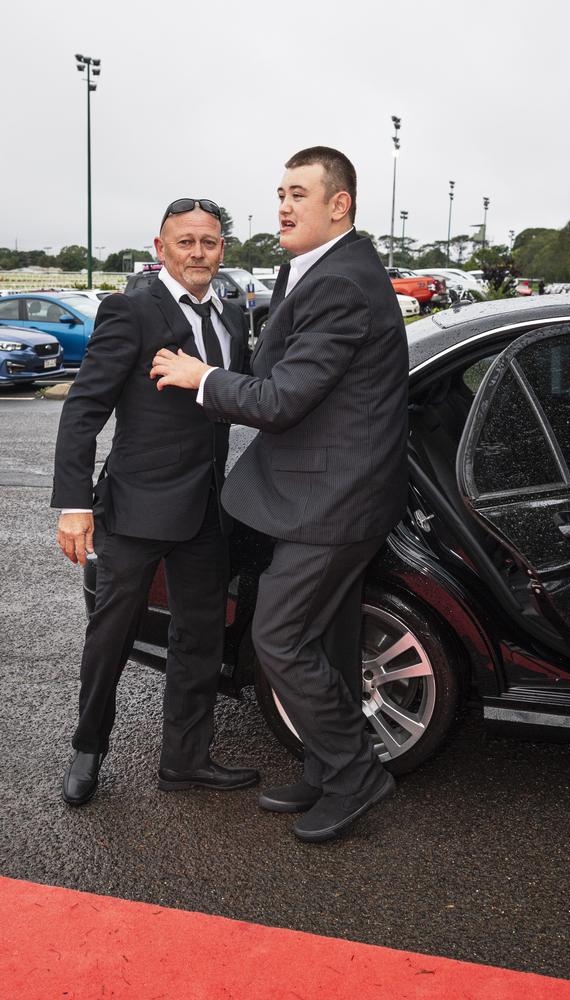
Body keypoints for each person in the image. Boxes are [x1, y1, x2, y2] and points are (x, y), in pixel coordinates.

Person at [150, 148, 409, 842]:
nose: (284, 205)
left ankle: (356, 775)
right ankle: (328, 770)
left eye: (299, 193)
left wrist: (199, 376)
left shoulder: (343, 283)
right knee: (325, 637)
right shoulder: (325, 270)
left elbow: (285, 396)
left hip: (335, 500)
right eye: (280, 192)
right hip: (330, 491)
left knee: (280, 637)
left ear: (340, 205)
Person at [52, 198, 258, 806]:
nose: (199, 253)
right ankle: (88, 749)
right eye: (186, 242)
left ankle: (186, 760)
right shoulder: (130, 310)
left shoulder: (233, 313)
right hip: (136, 507)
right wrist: (73, 502)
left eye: (211, 242)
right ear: (161, 246)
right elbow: (84, 407)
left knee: (199, 639)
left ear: (224, 248)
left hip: (207, 512)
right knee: (111, 636)